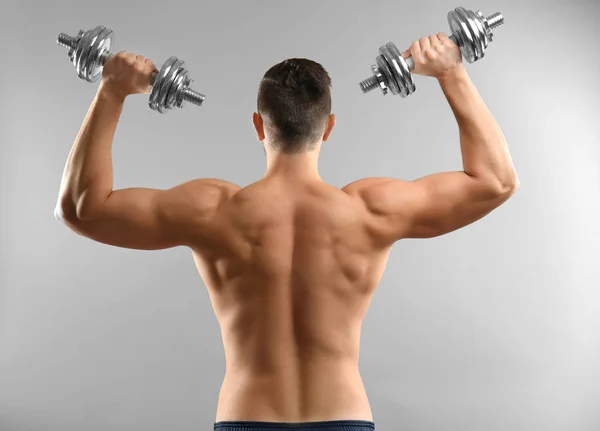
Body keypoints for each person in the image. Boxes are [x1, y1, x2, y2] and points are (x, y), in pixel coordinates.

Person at [54, 32, 519, 431]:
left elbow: (81, 209)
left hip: (244, 417)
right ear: (329, 127)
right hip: (345, 417)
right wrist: (451, 73)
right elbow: (496, 181)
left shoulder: (213, 209)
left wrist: (111, 91)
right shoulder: (371, 210)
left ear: (259, 125)